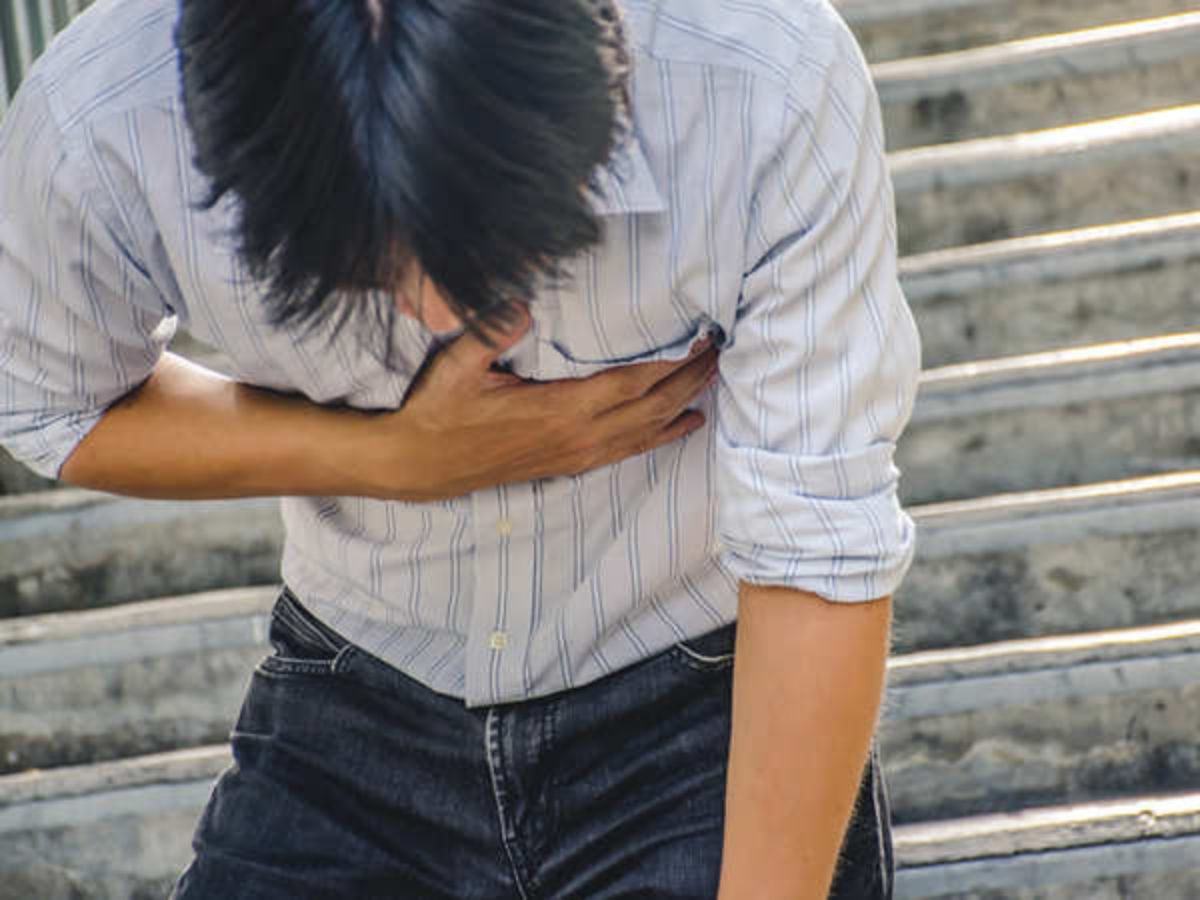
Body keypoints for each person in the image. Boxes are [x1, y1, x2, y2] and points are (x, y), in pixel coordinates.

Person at [0, 0, 921, 897]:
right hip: (357, 697)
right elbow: (53, 405)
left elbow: (818, 545)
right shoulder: (107, 121)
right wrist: (391, 458)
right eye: (363, 270)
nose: (440, 316)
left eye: (492, 250)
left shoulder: (756, 77)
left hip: (705, 701)